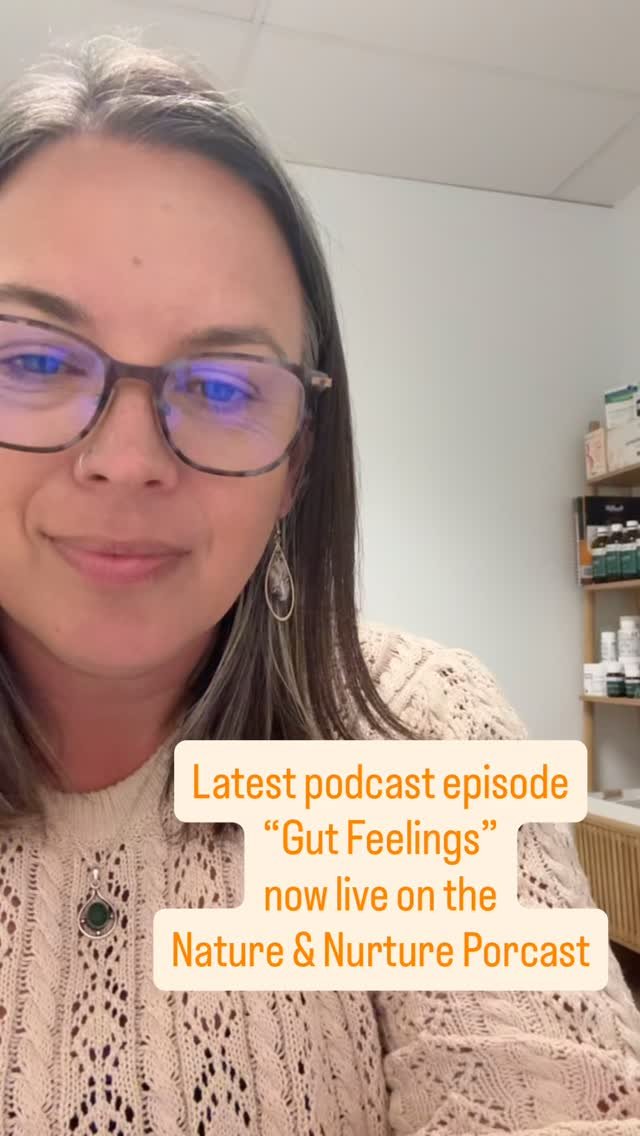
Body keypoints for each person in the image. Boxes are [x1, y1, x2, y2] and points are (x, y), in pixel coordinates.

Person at [0, 34, 638, 1136]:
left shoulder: (408, 744)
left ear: (299, 463)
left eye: (222, 385)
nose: (127, 459)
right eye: (36, 360)